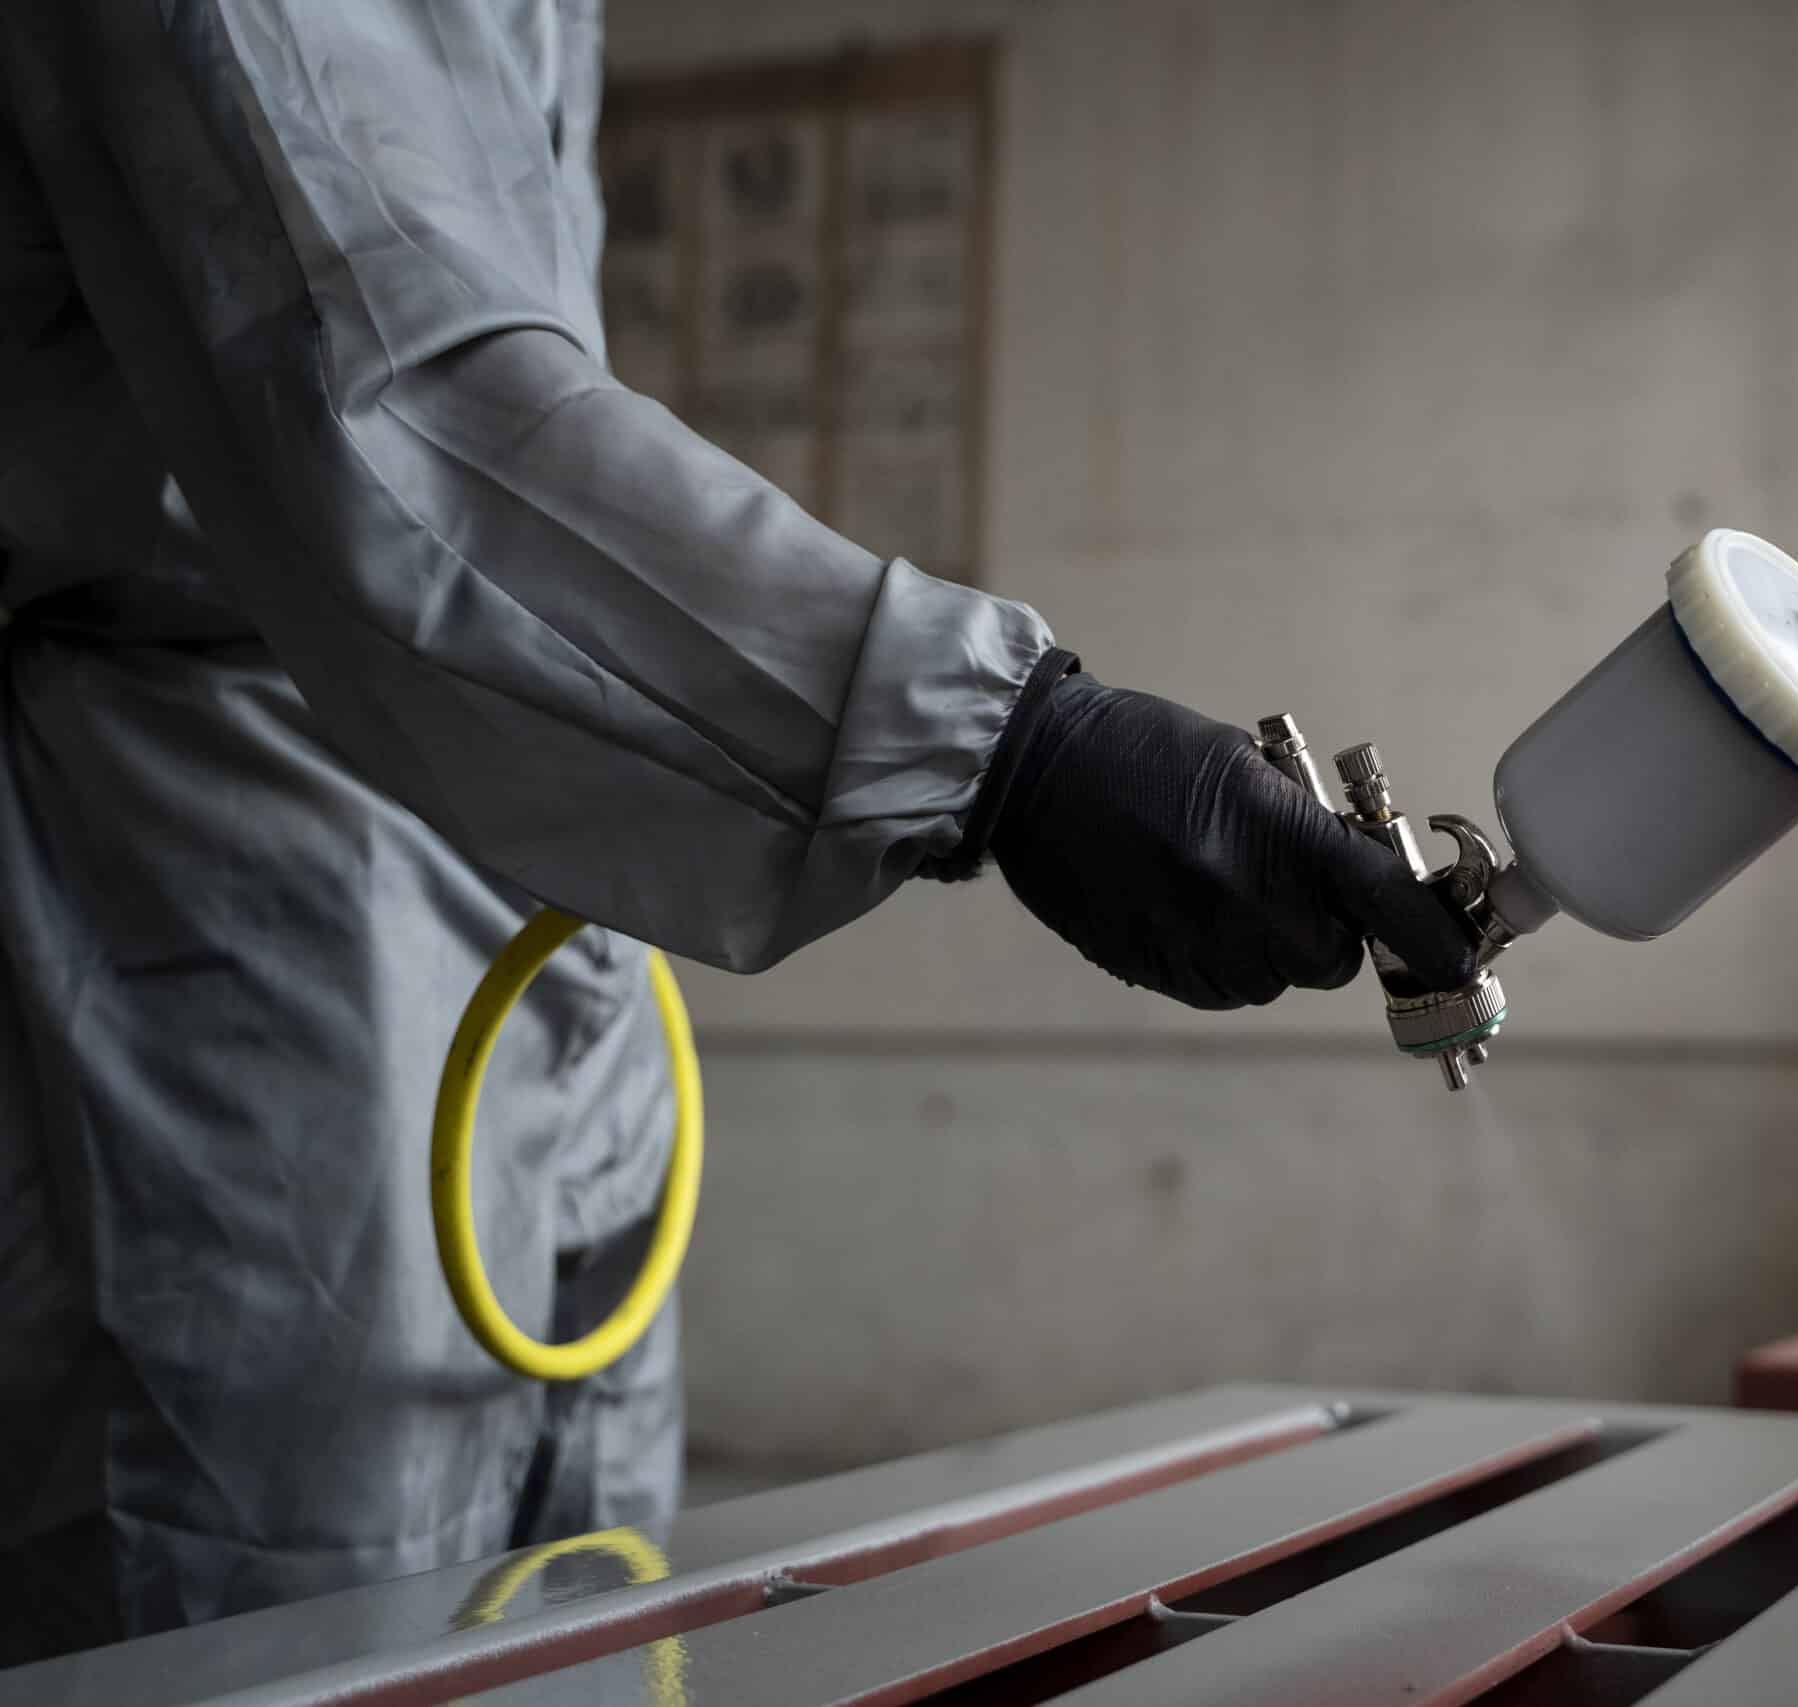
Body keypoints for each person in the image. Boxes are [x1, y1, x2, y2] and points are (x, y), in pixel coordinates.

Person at [0, 1, 1473, 1661]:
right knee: (282, 1608)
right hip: (223, 892)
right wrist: (1013, 748)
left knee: (594, 1599)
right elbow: (400, 409)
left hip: (554, 901)